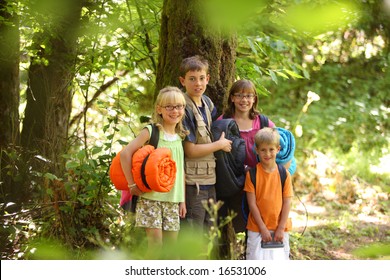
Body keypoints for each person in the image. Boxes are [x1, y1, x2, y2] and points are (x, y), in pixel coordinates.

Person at [119, 86, 187, 258]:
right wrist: (132, 185)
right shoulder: (151, 132)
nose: (175, 111)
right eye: (169, 106)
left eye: (179, 106)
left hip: (172, 200)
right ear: (159, 109)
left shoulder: (180, 137)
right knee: (155, 245)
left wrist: (182, 200)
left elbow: (179, 172)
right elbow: (126, 154)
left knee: (172, 248)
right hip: (151, 198)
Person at [179, 55, 232, 231]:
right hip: (193, 184)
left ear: (208, 79)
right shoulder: (183, 107)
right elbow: (190, 150)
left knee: (209, 234)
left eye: (202, 78)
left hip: (210, 180)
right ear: (182, 81)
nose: (198, 84)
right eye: (192, 79)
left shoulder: (207, 103)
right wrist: (220, 145)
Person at [217, 79, 276, 234]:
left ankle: (254, 253)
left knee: (260, 220)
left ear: (254, 99)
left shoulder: (262, 122)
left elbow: (277, 144)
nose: (244, 100)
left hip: (259, 180)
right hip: (234, 180)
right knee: (238, 222)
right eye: (240, 95)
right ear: (232, 98)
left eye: (249, 96)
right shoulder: (223, 122)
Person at [244, 127, 293, 260]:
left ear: (278, 149)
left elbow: (288, 201)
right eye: (263, 150)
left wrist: (281, 227)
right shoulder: (252, 175)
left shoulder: (284, 175)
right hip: (257, 228)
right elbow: (252, 204)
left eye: (271, 149)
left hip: (280, 228)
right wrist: (262, 228)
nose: (267, 154)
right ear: (257, 150)